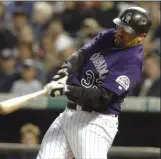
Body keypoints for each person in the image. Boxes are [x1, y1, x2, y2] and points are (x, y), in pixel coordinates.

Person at [37, 6, 152, 159]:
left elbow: (102, 98)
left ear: (141, 36)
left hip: (95, 122)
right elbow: (82, 55)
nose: (120, 33)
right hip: (69, 115)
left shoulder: (132, 62)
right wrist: (63, 72)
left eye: (127, 32)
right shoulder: (108, 36)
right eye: (120, 27)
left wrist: (66, 89)